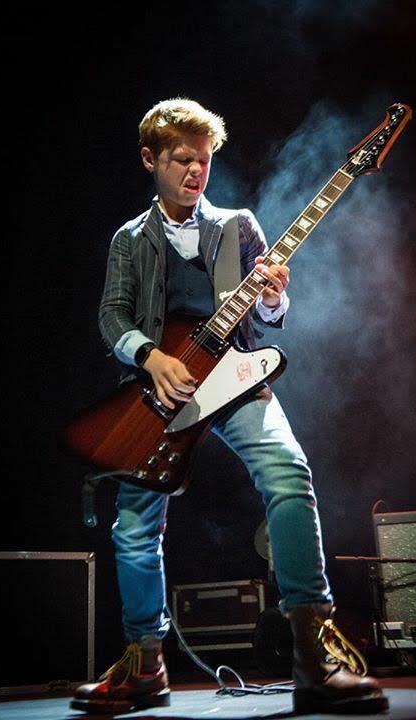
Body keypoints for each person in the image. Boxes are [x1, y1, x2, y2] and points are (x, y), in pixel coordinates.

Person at [71, 98, 388, 716]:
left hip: (236, 377)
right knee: (135, 524)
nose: (196, 171)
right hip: (161, 391)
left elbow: (270, 318)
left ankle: (311, 648)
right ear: (150, 159)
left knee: (289, 473)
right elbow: (112, 316)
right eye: (182, 159)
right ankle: (145, 661)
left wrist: (273, 298)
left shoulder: (239, 225)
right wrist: (149, 357)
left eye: (205, 160)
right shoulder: (129, 240)